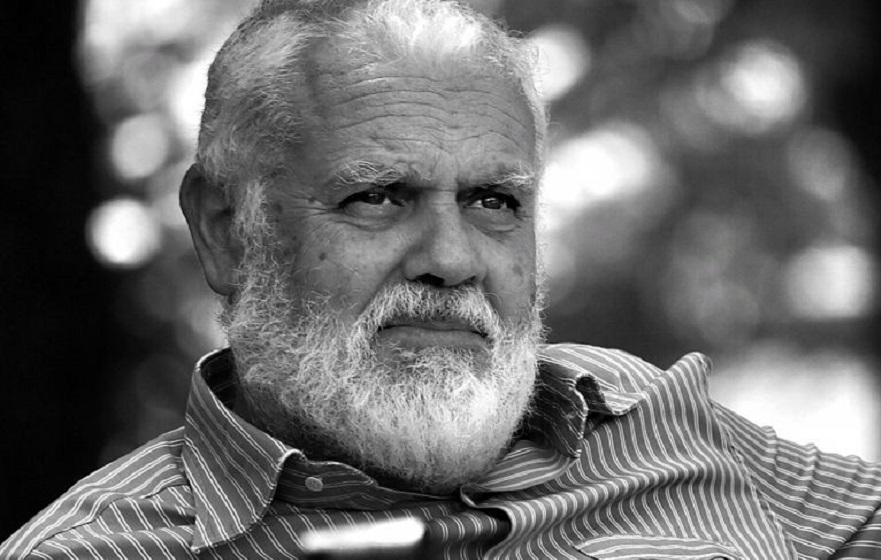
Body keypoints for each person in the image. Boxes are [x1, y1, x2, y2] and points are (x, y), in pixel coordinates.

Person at [3, 0, 881, 558]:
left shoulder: (642, 412)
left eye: (494, 201)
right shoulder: (107, 549)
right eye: (377, 197)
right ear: (227, 231)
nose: (453, 261)